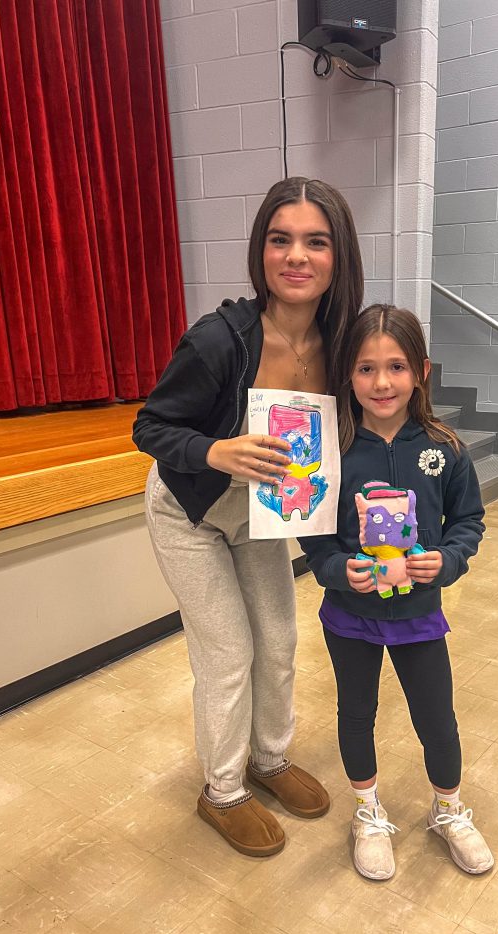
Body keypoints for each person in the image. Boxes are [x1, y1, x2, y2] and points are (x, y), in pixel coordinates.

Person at [133, 177, 363, 857]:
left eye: (315, 241)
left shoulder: (340, 343)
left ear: (337, 255)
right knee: (229, 653)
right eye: (279, 239)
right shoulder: (218, 340)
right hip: (191, 510)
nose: (296, 255)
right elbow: (150, 427)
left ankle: (270, 760)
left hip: (260, 516)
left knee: (280, 641)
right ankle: (223, 790)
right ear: (260, 251)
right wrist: (215, 449)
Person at [299, 304, 493, 880]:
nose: (381, 382)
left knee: (436, 717)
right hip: (350, 616)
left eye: (396, 366)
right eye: (365, 369)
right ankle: (367, 812)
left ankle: (450, 810)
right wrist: (339, 571)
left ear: (421, 372)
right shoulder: (328, 450)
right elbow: (315, 539)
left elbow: (469, 522)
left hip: (418, 615)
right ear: (346, 374)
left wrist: (448, 559)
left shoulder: (445, 448)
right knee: (356, 714)